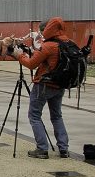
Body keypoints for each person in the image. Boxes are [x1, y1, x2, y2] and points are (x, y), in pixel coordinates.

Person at [13, 17, 71, 159]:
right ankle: (64, 149)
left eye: (41, 31)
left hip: (44, 85)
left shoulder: (48, 46)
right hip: (60, 85)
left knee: (34, 115)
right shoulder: (67, 43)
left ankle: (42, 149)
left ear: (48, 29)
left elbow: (32, 64)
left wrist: (20, 56)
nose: (41, 34)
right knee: (57, 116)